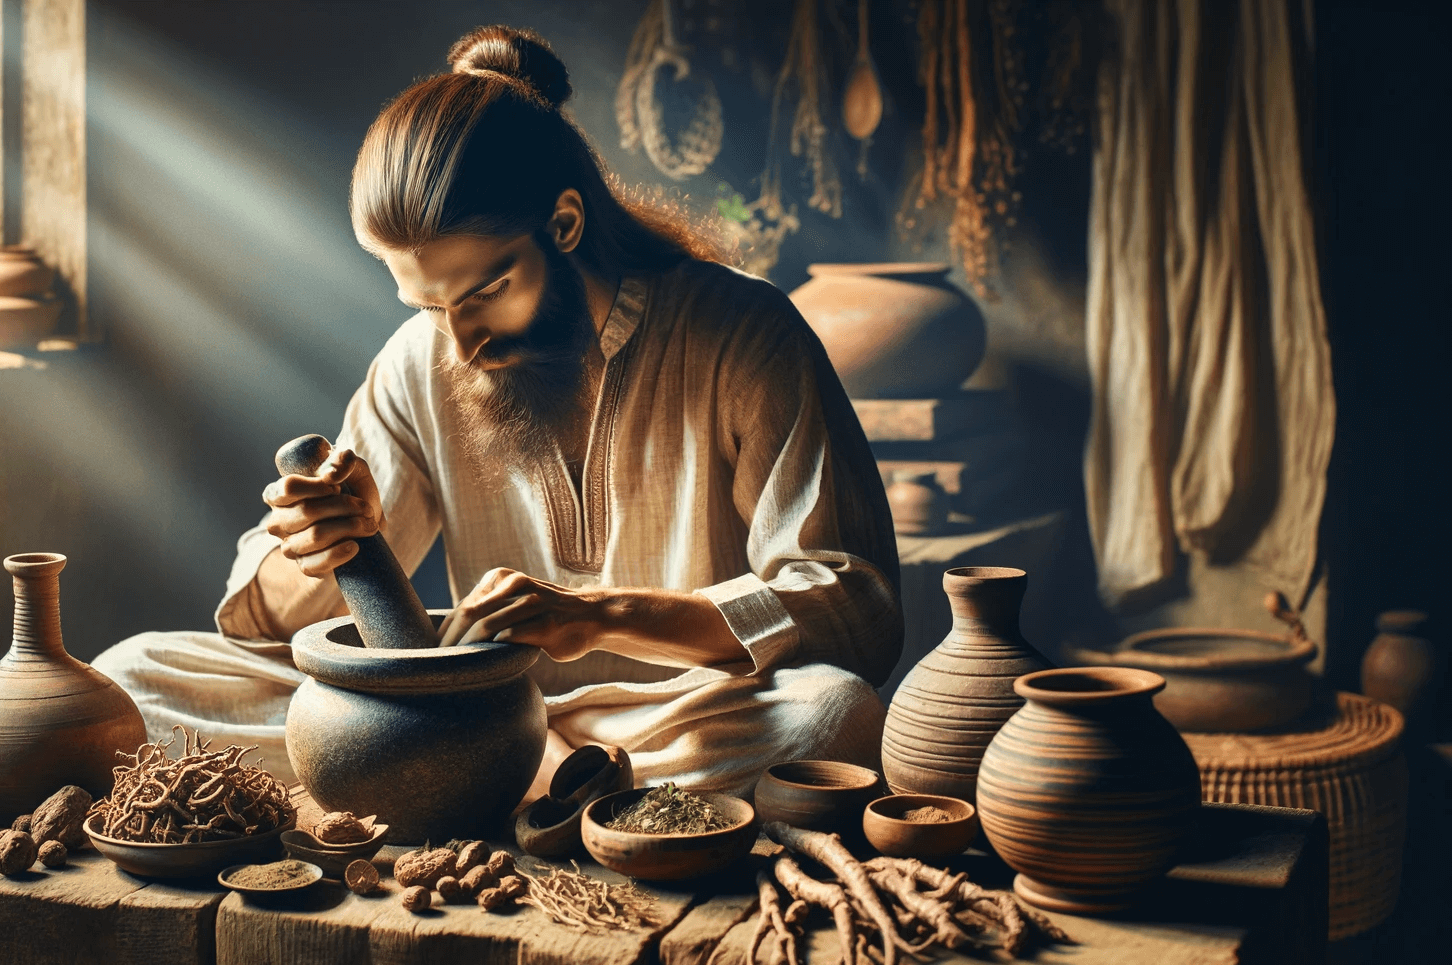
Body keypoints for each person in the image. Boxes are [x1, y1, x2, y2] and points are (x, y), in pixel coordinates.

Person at [94, 25, 902, 797]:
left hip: (673, 721)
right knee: (131, 680)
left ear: (564, 223)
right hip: (473, 717)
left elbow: (851, 609)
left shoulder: (741, 331)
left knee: (831, 715)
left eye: (485, 291)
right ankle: (540, 787)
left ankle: (509, 782)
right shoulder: (422, 359)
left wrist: (597, 616)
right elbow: (258, 634)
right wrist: (320, 547)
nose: (462, 340)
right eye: (427, 303)